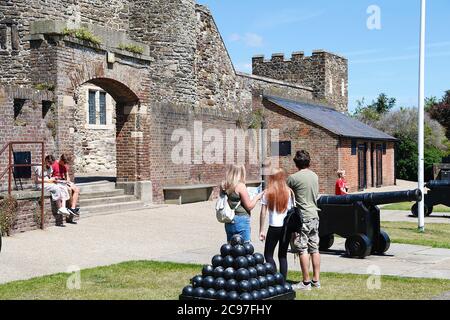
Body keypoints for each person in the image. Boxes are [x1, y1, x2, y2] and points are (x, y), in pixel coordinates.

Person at [287, 150, 321, 290]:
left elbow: (285, 194)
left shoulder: (293, 178)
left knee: (302, 249)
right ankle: (316, 281)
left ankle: (305, 282)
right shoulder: (315, 176)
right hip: (315, 215)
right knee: (315, 248)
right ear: (309, 161)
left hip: (303, 217)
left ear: (296, 163)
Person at [259, 167, 293, 279]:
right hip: (286, 227)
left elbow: (263, 212)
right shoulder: (289, 192)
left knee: (268, 254)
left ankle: (274, 276)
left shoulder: (268, 192)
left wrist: (261, 230)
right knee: (282, 255)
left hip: (273, 227)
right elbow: (291, 212)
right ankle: (283, 280)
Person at [221, 164, 263, 243]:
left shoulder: (224, 185)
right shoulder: (240, 186)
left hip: (229, 219)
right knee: (245, 248)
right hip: (241, 220)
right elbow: (249, 206)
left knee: (231, 247)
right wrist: (257, 197)